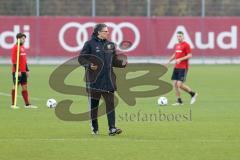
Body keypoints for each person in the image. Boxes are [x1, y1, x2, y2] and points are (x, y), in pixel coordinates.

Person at [78, 23, 127, 136]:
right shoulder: (89, 44)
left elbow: (114, 60)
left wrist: (122, 63)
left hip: (108, 80)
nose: (107, 33)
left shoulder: (110, 45)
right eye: (105, 31)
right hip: (94, 81)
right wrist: (89, 65)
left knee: (110, 104)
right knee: (94, 107)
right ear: (98, 32)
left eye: (107, 31)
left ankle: (112, 129)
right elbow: (81, 58)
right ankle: (94, 128)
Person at [166, 31, 198, 105]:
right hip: (176, 67)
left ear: (183, 37)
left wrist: (180, 59)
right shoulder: (177, 45)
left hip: (183, 67)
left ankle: (193, 94)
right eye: (177, 36)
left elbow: (190, 55)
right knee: (174, 84)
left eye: (180, 36)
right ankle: (179, 101)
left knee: (179, 84)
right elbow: (175, 54)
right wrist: (169, 61)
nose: (179, 38)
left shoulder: (186, 45)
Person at [11, 33, 37, 109]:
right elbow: (14, 60)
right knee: (15, 86)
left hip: (23, 71)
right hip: (17, 71)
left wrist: (27, 70)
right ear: (18, 39)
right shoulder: (15, 47)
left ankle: (27, 105)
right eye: (23, 38)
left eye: (24, 38)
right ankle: (13, 104)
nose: (24, 40)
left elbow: (24, 60)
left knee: (24, 87)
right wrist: (17, 70)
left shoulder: (23, 47)